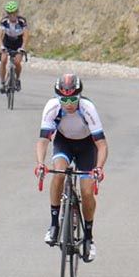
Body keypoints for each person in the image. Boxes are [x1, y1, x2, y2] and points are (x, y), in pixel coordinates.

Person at [34, 75, 107, 261]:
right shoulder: (52, 107)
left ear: (79, 96)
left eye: (73, 99)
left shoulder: (88, 108)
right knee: (58, 175)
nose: (68, 104)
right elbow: (43, 140)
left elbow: (102, 145)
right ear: (58, 98)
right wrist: (41, 163)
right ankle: (54, 225)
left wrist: (98, 168)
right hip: (63, 143)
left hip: (86, 147)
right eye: (64, 99)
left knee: (87, 192)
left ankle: (89, 238)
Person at [0, 0, 29, 94]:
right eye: (10, 13)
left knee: (17, 62)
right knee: (3, 60)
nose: (12, 15)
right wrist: (1, 46)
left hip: (18, 42)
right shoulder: (4, 21)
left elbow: (26, 35)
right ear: (7, 13)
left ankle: (18, 79)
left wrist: (23, 47)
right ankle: (3, 82)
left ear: (17, 12)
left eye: (14, 13)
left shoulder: (22, 21)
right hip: (7, 41)